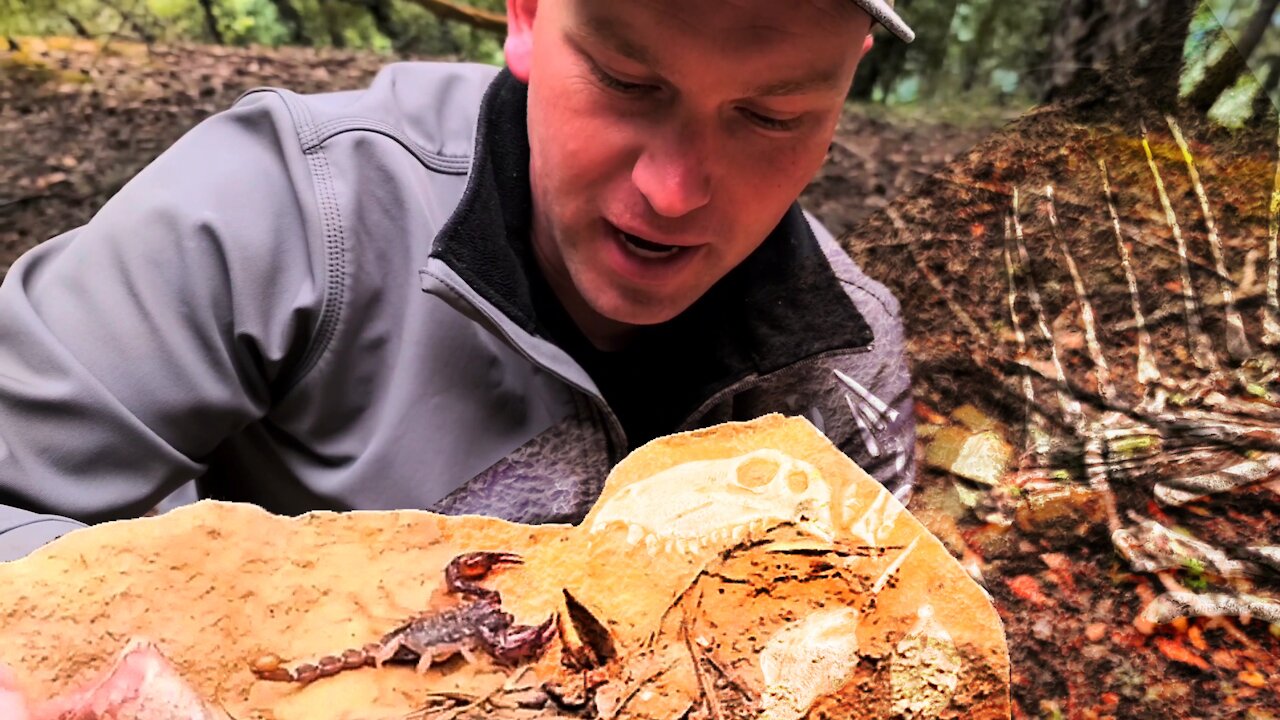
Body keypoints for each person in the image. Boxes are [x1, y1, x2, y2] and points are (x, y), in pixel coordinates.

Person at [0, 0, 918, 564]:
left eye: (770, 116)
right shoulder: (290, 206)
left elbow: (865, 629)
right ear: (524, 15)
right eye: (626, 80)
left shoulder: (847, 362)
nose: (671, 192)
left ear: (843, 94)